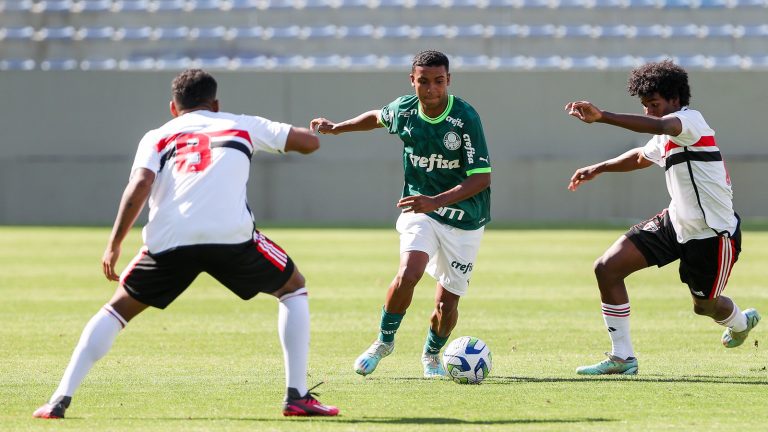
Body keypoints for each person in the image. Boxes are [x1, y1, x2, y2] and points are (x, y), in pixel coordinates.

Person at [33, 69, 339, 418]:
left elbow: (141, 183)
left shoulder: (158, 135)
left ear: (173, 108)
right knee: (293, 287)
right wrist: (305, 133)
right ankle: (296, 396)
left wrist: (114, 243)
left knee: (116, 309)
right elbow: (309, 143)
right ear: (216, 103)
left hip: (170, 239)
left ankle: (59, 399)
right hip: (230, 236)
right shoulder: (240, 123)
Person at [564, 60, 760, 375]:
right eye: (645, 106)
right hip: (674, 223)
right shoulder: (665, 130)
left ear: (675, 100)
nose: (649, 112)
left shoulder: (690, 121)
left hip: (712, 235)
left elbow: (661, 127)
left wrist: (603, 117)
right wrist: (597, 168)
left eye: (654, 105)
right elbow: (642, 156)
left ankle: (740, 321)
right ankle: (623, 358)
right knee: (607, 268)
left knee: (705, 307)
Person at [310, 50, 492, 378]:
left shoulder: (465, 118)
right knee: (409, 272)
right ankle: (383, 342)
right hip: (420, 209)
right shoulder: (405, 110)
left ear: (448, 80)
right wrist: (337, 128)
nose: (431, 88)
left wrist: (436, 200)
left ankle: (432, 355)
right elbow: (376, 117)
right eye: (423, 81)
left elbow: (482, 178)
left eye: (439, 81)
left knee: (446, 305)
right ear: (413, 81)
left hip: (464, 219)